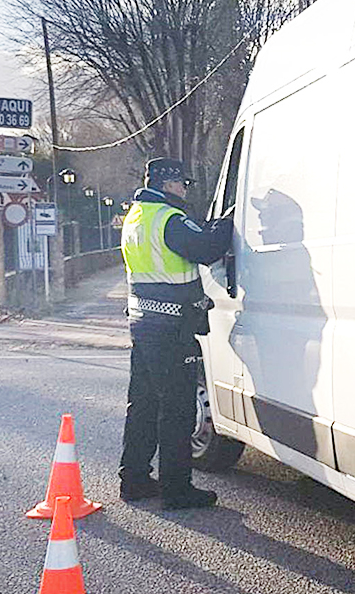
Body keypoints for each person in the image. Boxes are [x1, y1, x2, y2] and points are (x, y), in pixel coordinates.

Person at [118, 157, 233, 509]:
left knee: (144, 404)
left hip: (143, 324)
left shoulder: (136, 217)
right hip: (171, 329)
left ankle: (134, 479)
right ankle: (177, 489)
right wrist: (229, 220)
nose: (185, 189)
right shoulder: (169, 219)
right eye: (183, 183)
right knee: (178, 410)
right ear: (168, 184)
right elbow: (207, 248)